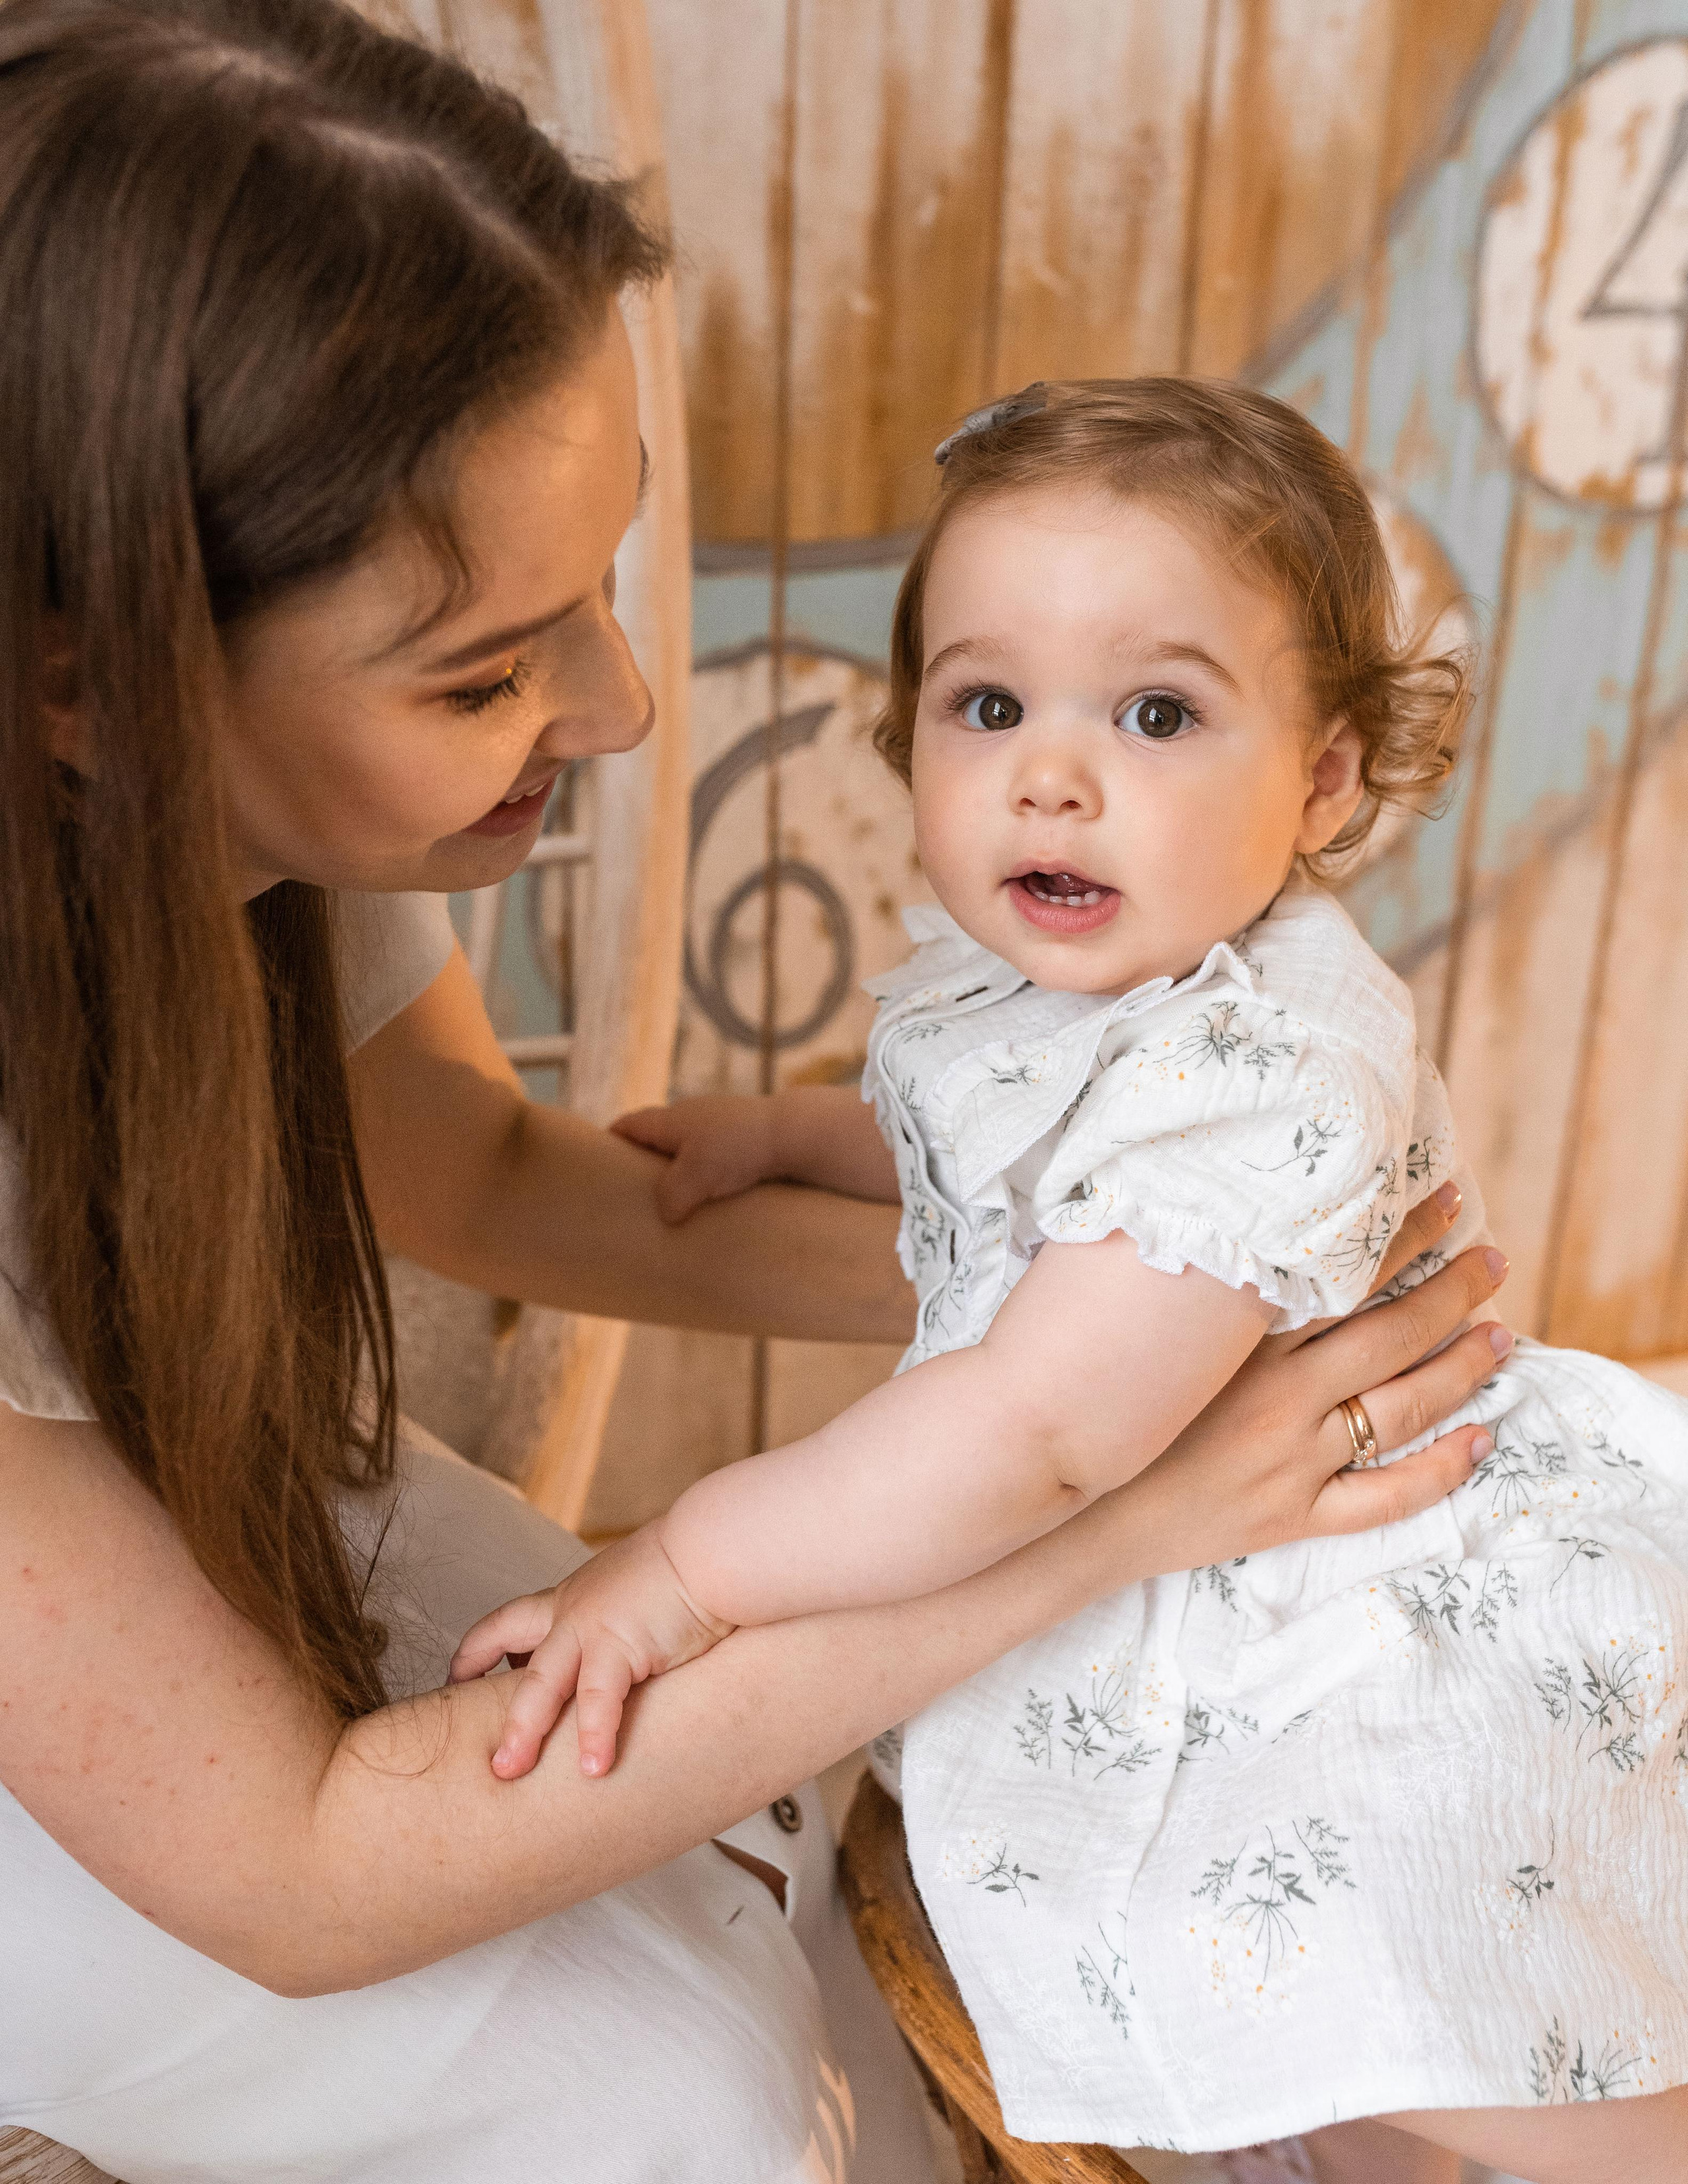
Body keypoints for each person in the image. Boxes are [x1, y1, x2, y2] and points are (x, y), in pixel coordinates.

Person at [0, 9, 1507, 2178]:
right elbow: (308, 1879)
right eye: (488, 666)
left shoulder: (219, 817)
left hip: (182, 1513)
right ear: (87, 671)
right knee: (697, 2097)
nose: (614, 708)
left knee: (806, 1855)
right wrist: (1121, 1512)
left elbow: (496, 1179)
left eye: (597, 588)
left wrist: (1154, 1306)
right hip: (153, 1800)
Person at [493, 380, 1688, 2184]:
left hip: (1352, 1608)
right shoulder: (1060, 984)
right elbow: (993, 1143)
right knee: (1336, 2066)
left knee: (1415, 1989)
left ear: (1324, 779)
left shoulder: (1272, 1058)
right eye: (988, 705)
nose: (1053, 772)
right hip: (1214, 1540)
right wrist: (792, 1132)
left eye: (1155, 712)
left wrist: (679, 1568)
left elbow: (1043, 1431)